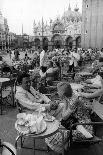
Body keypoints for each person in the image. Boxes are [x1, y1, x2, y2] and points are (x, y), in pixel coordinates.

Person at [45, 82, 93, 154]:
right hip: (76, 124)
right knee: (52, 133)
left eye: (58, 91)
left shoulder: (73, 101)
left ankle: (64, 150)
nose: (57, 92)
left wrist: (65, 102)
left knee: (54, 136)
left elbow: (64, 117)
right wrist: (64, 102)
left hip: (85, 130)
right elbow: (64, 114)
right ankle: (63, 148)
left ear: (63, 94)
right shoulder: (71, 96)